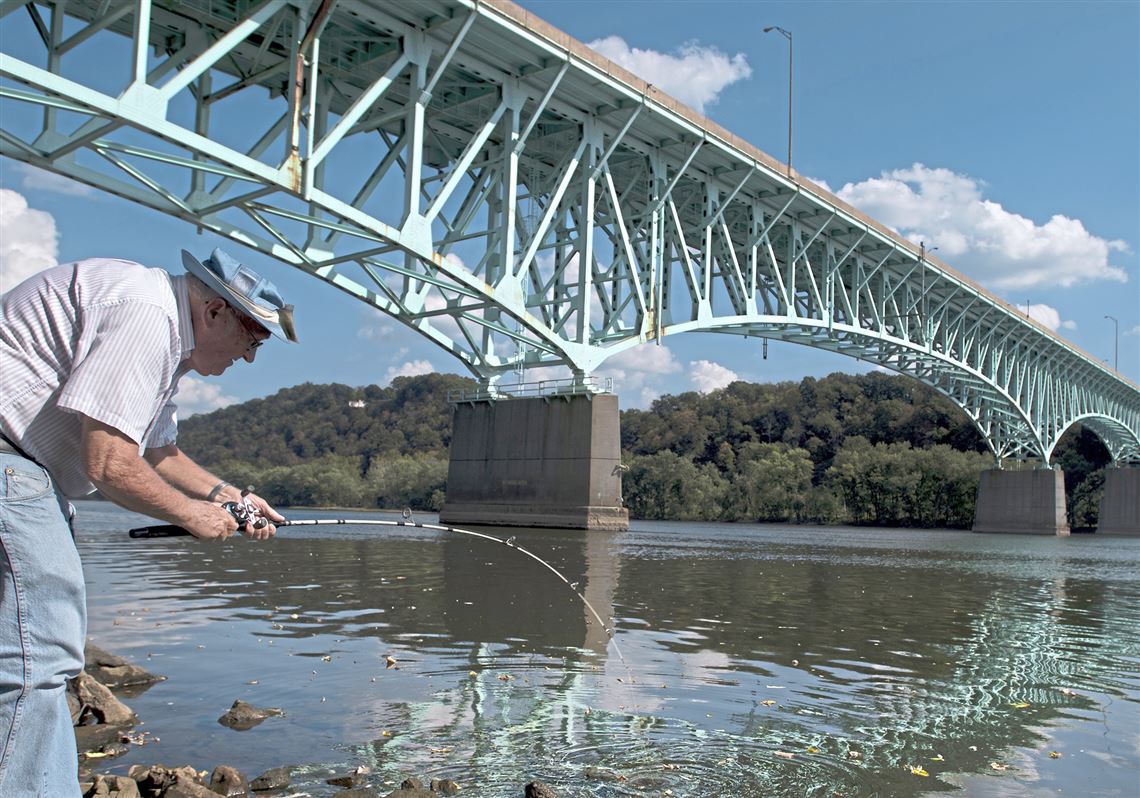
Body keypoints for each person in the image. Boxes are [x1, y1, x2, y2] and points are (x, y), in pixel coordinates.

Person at [0, 247, 298, 797]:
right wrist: (192, 516)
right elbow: (110, 464)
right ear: (214, 311)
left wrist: (231, 499)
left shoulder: (165, 338)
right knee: (37, 659)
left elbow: (158, 450)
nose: (252, 358)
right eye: (253, 339)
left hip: (24, 471)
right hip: (10, 465)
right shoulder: (147, 315)